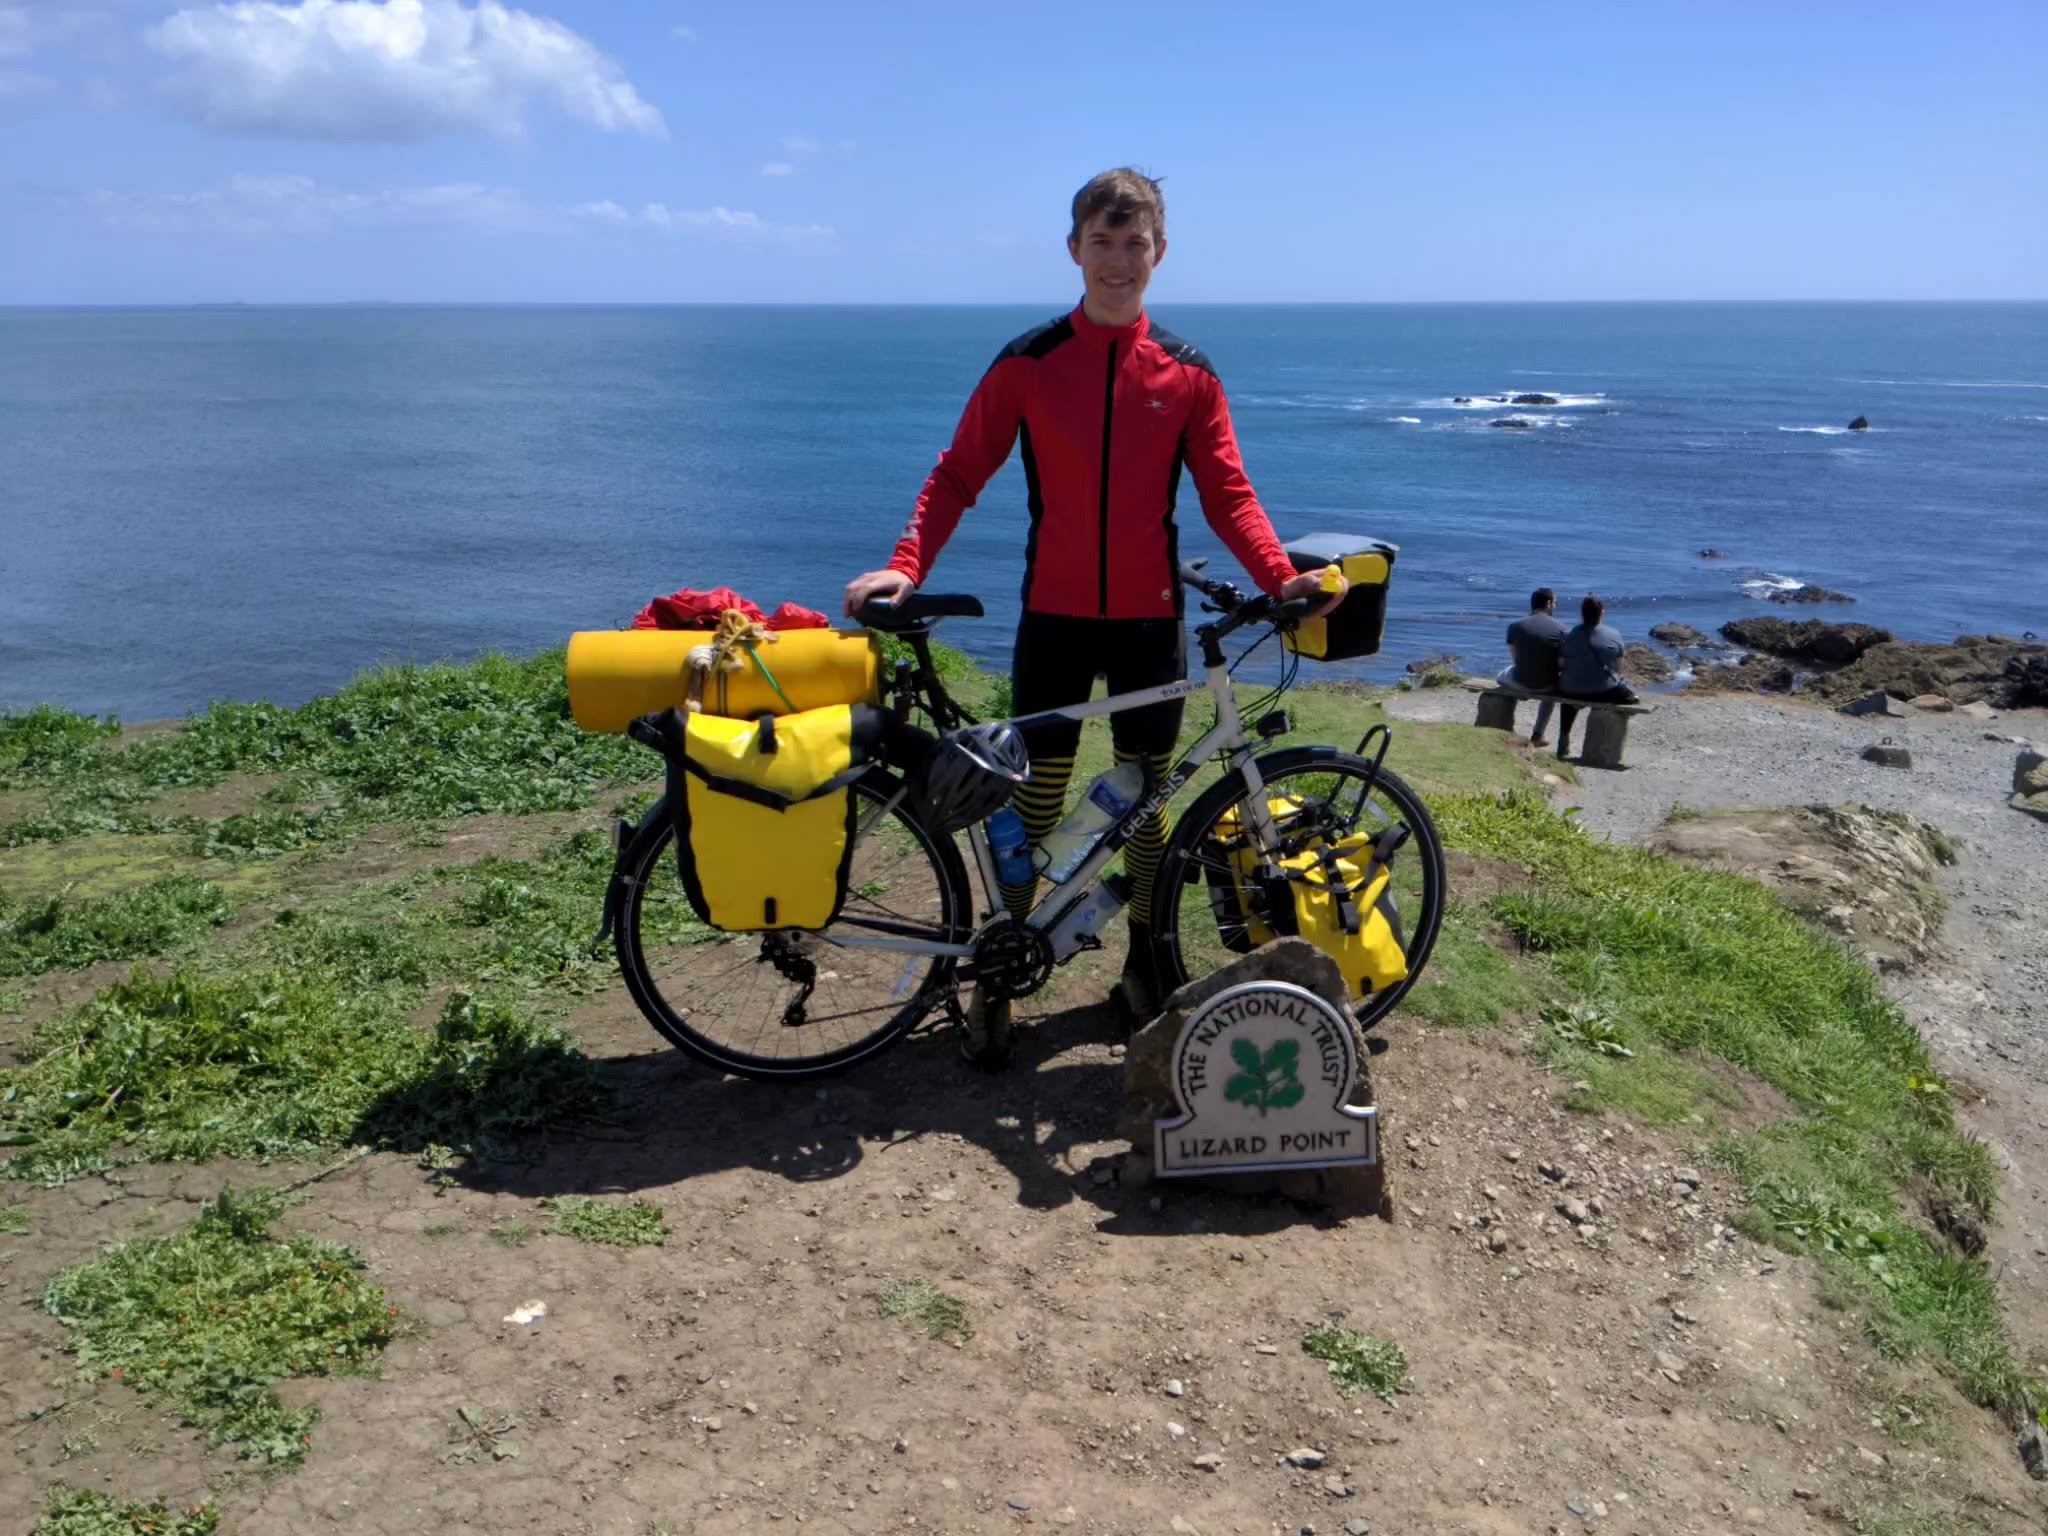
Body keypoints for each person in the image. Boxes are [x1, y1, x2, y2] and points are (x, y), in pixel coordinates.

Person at [842, 167, 1343, 1055]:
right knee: (1033, 805)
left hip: (1149, 623)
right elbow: (960, 471)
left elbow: (1227, 490)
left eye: (1135, 243)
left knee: (1144, 804)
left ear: (1160, 252)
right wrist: (904, 566)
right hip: (1056, 619)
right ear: (1074, 250)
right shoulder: (1031, 364)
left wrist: (1279, 573)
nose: (1118, 261)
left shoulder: (1187, 374)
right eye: (1101, 243)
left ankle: (1146, 963)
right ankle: (1000, 972)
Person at [1554, 593, 1639, 760]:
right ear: (1602, 612)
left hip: (1571, 690)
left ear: (1582, 613)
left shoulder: (1568, 635)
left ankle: (1563, 741)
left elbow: (1561, 663)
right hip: (1602, 691)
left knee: (1571, 692)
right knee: (1630, 696)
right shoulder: (1613, 635)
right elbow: (1619, 669)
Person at [1500, 587, 1565, 746]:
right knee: (1553, 683)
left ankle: (1505, 728)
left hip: (1521, 683)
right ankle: (1538, 734)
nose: (1555, 606)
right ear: (1549, 603)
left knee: (1502, 675)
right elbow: (1563, 663)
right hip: (1547, 686)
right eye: (1555, 603)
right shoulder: (1562, 629)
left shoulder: (1515, 626)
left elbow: (1515, 658)